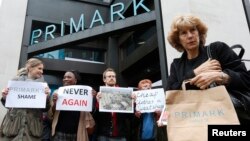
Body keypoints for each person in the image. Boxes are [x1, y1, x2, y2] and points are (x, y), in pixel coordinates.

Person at [166, 14, 250, 124]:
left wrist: (221, 76)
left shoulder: (217, 49)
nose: (190, 36)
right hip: (195, 123)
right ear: (178, 40)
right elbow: (170, 94)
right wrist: (195, 73)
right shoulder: (176, 65)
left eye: (193, 30)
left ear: (199, 33)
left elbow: (245, 78)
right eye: (184, 33)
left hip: (229, 118)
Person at [0, 58, 51, 141]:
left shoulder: (43, 85)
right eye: (39, 68)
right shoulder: (15, 81)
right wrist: (5, 96)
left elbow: (45, 109)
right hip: (13, 126)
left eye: (42, 69)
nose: (42, 71)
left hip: (32, 129)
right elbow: (8, 105)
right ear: (30, 68)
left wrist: (47, 97)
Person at [49, 70, 95, 141]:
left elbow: (90, 110)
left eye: (69, 77)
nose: (66, 79)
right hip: (59, 132)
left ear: (75, 81)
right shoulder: (57, 93)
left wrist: (92, 97)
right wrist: (55, 103)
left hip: (77, 134)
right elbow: (50, 114)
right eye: (64, 77)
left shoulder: (83, 94)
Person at [94, 68, 132, 141]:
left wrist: (132, 103)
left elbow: (130, 117)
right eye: (109, 76)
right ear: (104, 79)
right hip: (103, 135)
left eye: (113, 76)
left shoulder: (125, 94)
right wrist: (98, 103)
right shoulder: (99, 95)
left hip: (120, 136)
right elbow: (95, 117)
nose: (112, 78)